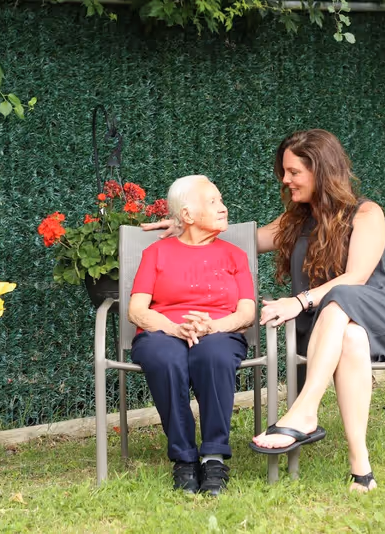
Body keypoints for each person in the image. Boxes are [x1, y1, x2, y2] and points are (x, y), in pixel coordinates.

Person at [144, 130, 385, 493]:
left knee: (339, 302)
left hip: (382, 316)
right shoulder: (295, 221)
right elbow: (243, 239)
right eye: (285, 172)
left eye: (293, 172)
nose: (285, 180)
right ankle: (361, 470)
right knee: (347, 333)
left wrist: (300, 301)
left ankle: (304, 411)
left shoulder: (366, 214)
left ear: (320, 170)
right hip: (336, 329)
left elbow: (355, 278)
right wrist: (185, 227)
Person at [128, 174, 255, 496]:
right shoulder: (157, 253)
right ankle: (184, 459)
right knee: (165, 357)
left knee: (212, 354)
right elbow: (137, 309)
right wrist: (172, 328)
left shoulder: (234, 255)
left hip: (219, 332)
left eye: (221, 201)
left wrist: (214, 326)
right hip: (162, 331)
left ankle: (213, 457)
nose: (223, 208)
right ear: (186, 215)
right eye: (213, 202)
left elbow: (246, 312)